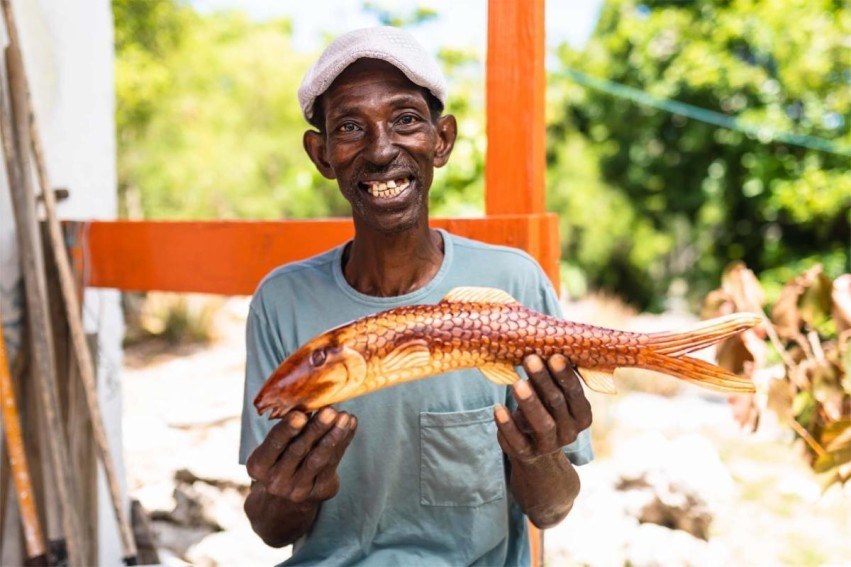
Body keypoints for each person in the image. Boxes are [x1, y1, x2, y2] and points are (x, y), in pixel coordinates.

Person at [239, 26, 593, 566]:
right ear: (322, 155)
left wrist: (540, 454)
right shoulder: (283, 301)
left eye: (405, 119)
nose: (381, 150)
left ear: (442, 139)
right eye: (350, 127)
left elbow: (551, 510)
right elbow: (270, 528)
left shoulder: (512, 284)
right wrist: (286, 490)